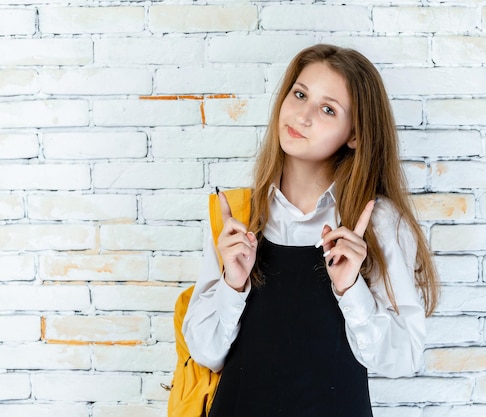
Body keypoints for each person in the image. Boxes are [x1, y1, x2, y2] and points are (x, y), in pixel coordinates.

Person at [182, 43, 439, 417]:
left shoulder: (378, 222)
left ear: (354, 134)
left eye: (327, 109)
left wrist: (351, 290)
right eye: (300, 94)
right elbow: (206, 353)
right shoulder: (238, 215)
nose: (302, 116)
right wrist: (233, 284)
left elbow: (403, 358)